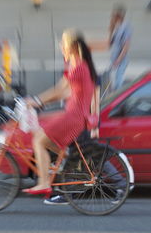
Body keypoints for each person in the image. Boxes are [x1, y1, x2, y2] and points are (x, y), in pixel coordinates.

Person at [22, 29, 98, 197]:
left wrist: (37, 101)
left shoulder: (78, 67)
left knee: (39, 141)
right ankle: (67, 163)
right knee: (46, 140)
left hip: (74, 116)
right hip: (74, 115)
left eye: (63, 43)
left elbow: (59, 91)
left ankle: (43, 183)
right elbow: (64, 93)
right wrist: (39, 101)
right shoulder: (78, 65)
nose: (60, 45)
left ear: (73, 46)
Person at [109, 4, 132, 92]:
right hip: (114, 60)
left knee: (118, 85)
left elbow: (126, 46)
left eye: (113, 15)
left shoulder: (126, 27)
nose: (111, 18)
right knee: (114, 84)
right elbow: (110, 43)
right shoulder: (117, 27)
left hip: (120, 61)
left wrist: (118, 60)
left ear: (118, 16)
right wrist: (111, 30)